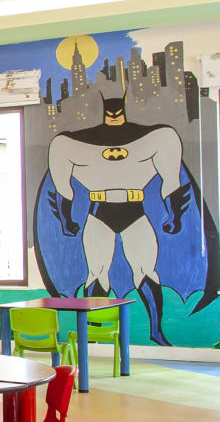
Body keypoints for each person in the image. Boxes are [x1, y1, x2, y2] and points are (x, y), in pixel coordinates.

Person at [43, 91, 195, 343]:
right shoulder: (69, 145)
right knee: (97, 272)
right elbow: (62, 187)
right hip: (99, 210)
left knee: (145, 271)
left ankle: (156, 331)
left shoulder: (158, 138)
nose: (113, 114)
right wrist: (65, 219)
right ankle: (91, 333)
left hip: (134, 209)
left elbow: (171, 181)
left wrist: (174, 215)